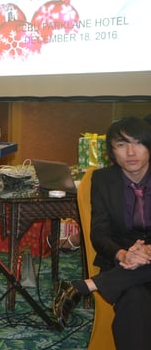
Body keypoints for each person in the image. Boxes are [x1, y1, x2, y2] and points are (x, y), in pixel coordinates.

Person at [53, 116, 151, 349]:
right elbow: (99, 233)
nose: (131, 152)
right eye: (121, 145)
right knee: (135, 298)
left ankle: (86, 285)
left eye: (138, 143)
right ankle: (89, 284)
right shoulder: (103, 180)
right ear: (111, 152)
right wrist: (123, 254)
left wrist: (148, 250)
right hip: (121, 263)